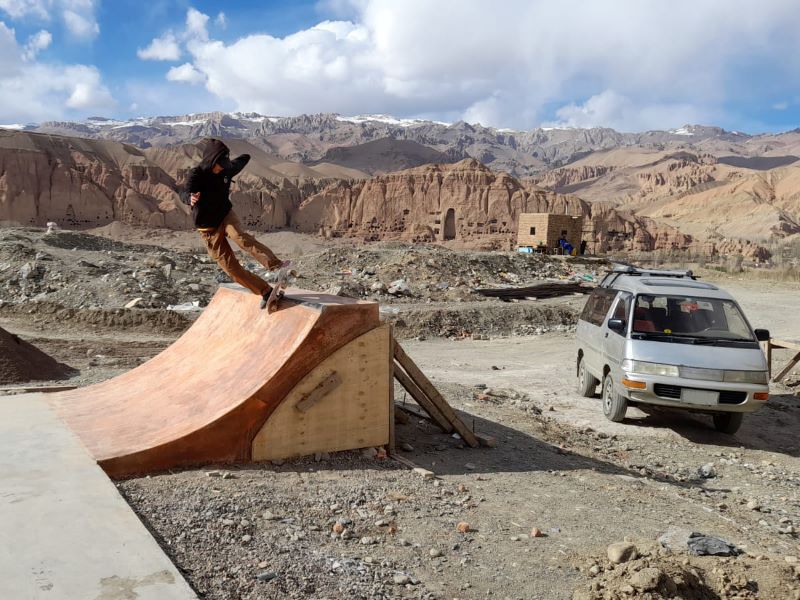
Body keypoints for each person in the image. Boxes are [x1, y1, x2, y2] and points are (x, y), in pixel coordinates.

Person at [184, 138, 283, 309]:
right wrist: (189, 198)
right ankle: (265, 291)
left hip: (225, 215)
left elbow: (240, 161)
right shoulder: (197, 174)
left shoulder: (226, 170)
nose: (221, 167)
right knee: (231, 269)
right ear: (210, 160)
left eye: (224, 164)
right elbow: (184, 190)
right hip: (208, 230)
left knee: (240, 236)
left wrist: (247, 155)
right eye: (219, 164)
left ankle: (276, 266)